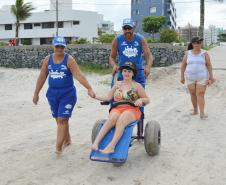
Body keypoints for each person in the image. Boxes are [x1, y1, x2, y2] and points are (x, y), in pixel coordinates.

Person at [33, 36, 95, 154]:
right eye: (57, 46)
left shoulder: (69, 59)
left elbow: (79, 75)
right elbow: (42, 76)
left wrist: (89, 88)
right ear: (54, 46)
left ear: (65, 47)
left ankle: (58, 148)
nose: (59, 48)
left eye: (62, 46)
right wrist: (36, 93)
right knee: (59, 119)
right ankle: (67, 140)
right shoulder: (47, 59)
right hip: (52, 94)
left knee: (62, 119)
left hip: (67, 94)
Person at [91, 62, 150, 154]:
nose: (126, 73)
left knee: (121, 120)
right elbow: (108, 98)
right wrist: (95, 96)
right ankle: (96, 143)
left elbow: (147, 99)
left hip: (132, 109)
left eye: (129, 71)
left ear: (133, 73)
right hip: (117, 108)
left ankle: (111, 146)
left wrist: (141, 100)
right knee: (111, 119)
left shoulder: (137, 86)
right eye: (124, 71)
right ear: (121, 72)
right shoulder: (117, 84)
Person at [109, 18, 153, 87]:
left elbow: (149, 56)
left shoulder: (140, 39)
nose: (127, 31)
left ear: (133, 28)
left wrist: (148, 66)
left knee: (139, 95)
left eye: (129, 28)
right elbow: (111, 57)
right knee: (120, 95)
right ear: (122, 28)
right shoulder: (117, 40)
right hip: (123, 71)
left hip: (138, 71)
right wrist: (114, 65)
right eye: (125, 28)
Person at [180, 36, 215, 119]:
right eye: (195, 42)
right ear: (192, 44)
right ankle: (195, 110)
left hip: (202, 77)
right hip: (189, 77)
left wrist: (211, 76)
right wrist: (182, 77)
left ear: (201, 44)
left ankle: (202, 113)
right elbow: (183, 65)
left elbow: (209, 65)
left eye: (199, 42)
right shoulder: (187, 53)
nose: (197, 44)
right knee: (192, 94)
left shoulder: (204, 53)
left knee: (200, 94)